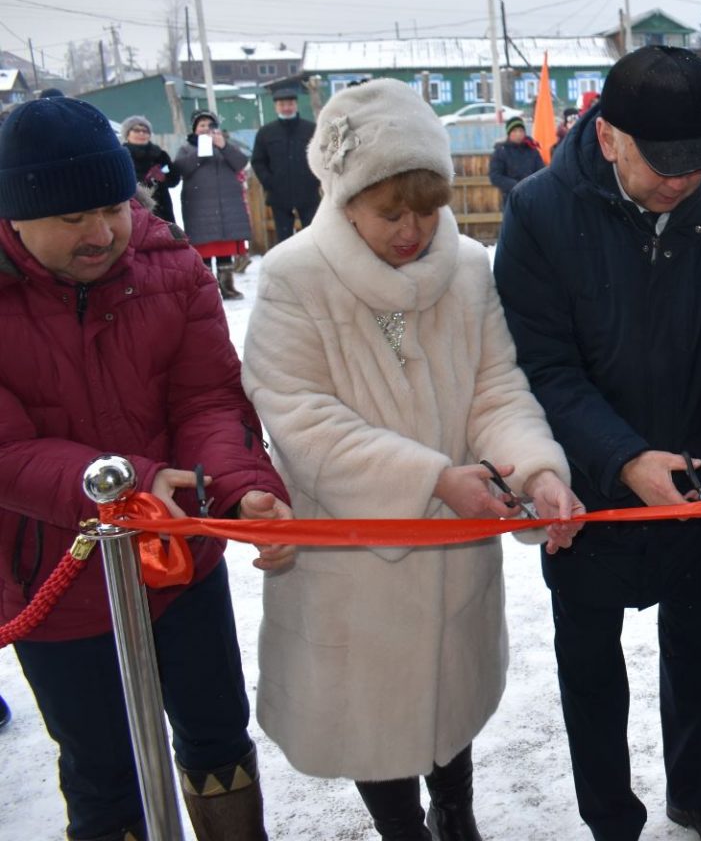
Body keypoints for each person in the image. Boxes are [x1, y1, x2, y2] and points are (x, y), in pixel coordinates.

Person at [242, 78, 580, 841]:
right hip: (354, 555)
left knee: (450, 699)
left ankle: (456, 815)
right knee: (375, 712)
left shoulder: (464, 269)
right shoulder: (296, 276)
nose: (412, 229)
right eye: (391, 211)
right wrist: (430, 477)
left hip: (453, 548)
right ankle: (403, 829)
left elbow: (496, 389)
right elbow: (298, 412)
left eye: (426, 208)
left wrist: (537, 470)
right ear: (347, 197)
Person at [496, 45, 701, 841]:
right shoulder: (539, 211)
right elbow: (544, 366)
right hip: (591, 482)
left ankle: (696, 790)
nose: (682, 181)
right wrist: (622, 457)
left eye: (695, 162)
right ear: (607, 137)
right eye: (660, 163)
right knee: (589, 659)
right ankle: (608, 814)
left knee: (698, 636)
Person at [0, 96, 295, 840]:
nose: (100, 233)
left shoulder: (172, 268)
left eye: (113, 207)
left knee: (218, 738)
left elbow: (207, 399)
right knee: (101, 769)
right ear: (16, 217)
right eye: (72, 219)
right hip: (53, 574)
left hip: (179, 566)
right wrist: (123, 479)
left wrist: (242, 488)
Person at [173, 110, 253, 300]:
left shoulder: (225, 145)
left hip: (227, 206)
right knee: (204, 251)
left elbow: (241, 163)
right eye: (202, 125)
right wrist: (201, 151)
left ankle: (227, 286)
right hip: (199, 207)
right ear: (195, 129)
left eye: (210, 125)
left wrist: (223, 146)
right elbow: (180, 169)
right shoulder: (186, 148)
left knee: (225, 249)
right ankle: (206, 290)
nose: (206, 129)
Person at [249, 85, 321, 244]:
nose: (286, 108)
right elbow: (258, 161)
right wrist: (270, 181)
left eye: (290, 104)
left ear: (296, 105)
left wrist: (314, 179)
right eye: (282, 105)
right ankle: (286, 268)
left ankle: (313, 266)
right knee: (284, 239)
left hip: (308, 193)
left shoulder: (311, 129)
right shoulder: (266, 132)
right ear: (276, 107)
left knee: (313, 235)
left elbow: (322, 155)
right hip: (279, 194)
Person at [121, 114, 179, 225]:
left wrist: (163, 175)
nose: (141, 133)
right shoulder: (122, 156)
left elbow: (174, 179)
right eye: (136, 130)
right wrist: (143, 179)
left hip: (162, 211)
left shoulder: (159, 155)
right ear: (127, 134)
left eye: (145, 131)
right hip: (133, 211)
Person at [488, 115, 544, 206]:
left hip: (533, 197)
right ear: (509, 133)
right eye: (514, 131)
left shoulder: (532, 150)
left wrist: (532, 186)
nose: (518, 134)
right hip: (511, 198)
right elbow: (495, 176)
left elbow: (541, 172)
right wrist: (515, 185)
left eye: (521, 131)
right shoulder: (501, 152)